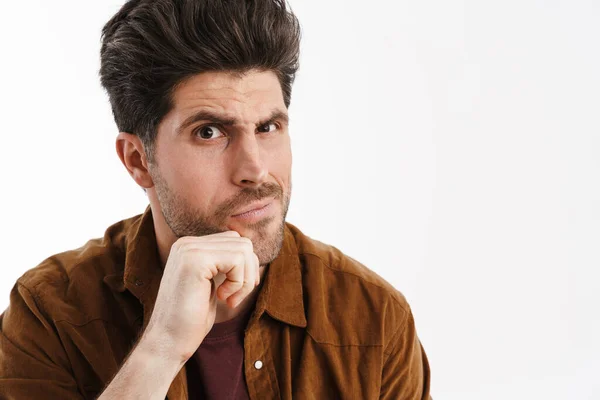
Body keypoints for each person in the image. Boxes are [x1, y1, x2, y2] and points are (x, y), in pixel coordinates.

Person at [0, 0, 432, 398]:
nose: (256, 170)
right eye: (209, 132)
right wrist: (161, 348)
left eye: (268, 128)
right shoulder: (51, 313)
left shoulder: (373, 319)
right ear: (138, 160)